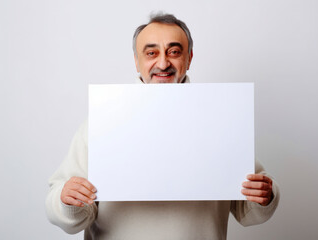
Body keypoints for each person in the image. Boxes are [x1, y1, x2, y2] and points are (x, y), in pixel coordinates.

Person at [46, 13, 280, 240]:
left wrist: (264, 196)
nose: (163, 62)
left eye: (174, 52)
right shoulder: (101, 122)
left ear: (189, 58)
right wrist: (67, 201)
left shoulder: (223, 120)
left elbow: (247, 210)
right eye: (151, 52)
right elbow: (67, 212)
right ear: (137, 62)